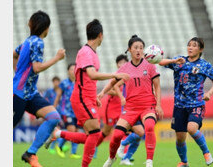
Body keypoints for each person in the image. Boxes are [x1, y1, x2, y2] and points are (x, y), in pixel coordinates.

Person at [45, 19, 129, 167]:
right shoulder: (85, 52)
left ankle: (57, 134)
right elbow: (91, 74)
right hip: (81, 98)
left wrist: (95, 96)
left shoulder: (92, 53)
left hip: (88, 98)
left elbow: (88, 79)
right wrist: (115, 75)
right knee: (95, 134)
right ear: (100, 35)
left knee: (92, 137)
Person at [101, 35, 164, 167]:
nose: (138, 50)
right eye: (136, 47)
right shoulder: (124, 68)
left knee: (149, 127)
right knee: (117, 135)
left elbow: (157, 87)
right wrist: (102, 93)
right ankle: (111, 158)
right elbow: (113, 81)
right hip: (131, 108)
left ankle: (149, 162)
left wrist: (158, 105)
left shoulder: (150, 66)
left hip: (148, 106)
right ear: (129, 49)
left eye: (141, 48)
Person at [13, 10, 66, 167]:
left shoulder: (27, 41)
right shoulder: (37, 42)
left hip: (30, 93)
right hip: (19, 94)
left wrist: (19, 73)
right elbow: (36, 68)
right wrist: (57, 58)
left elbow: (14, 55)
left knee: (53, 117)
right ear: (46, 28)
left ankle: (30, 153)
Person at [159, 37, 213, 167]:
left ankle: (206, 153)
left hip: (196, 105)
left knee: (191, 128)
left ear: (200, 49)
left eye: (194, 45)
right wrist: (174, 60)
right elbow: (160, 62)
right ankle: (184, 162)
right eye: (189, 45)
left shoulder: (205, 65)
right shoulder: (179, 60)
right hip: (179, 106)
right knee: (180, 138)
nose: (190, 47)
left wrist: (209, 93)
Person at [96, 54, 144, 166]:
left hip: (127, 108)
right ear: (117, 64)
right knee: (106, 131)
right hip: (112, 107)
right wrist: (121, 96)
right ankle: (94, 148)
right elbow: (110, 89)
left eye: (124, 62)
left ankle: (125, 155)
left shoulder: (131, 74)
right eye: (120, 62)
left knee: (134, 132)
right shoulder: (117, 75)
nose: (122, 64)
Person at [52, 63, 81, 159]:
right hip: (66, 112)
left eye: (75, 69)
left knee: (76, 133)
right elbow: (58, 96)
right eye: (71, 69)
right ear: (68, 71)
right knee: (72, 131)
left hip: (77, 112)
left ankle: (73, 153)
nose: (73, 71)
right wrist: (53, 109)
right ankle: (59, 145)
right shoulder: (64, 83)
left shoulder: (79, 83)